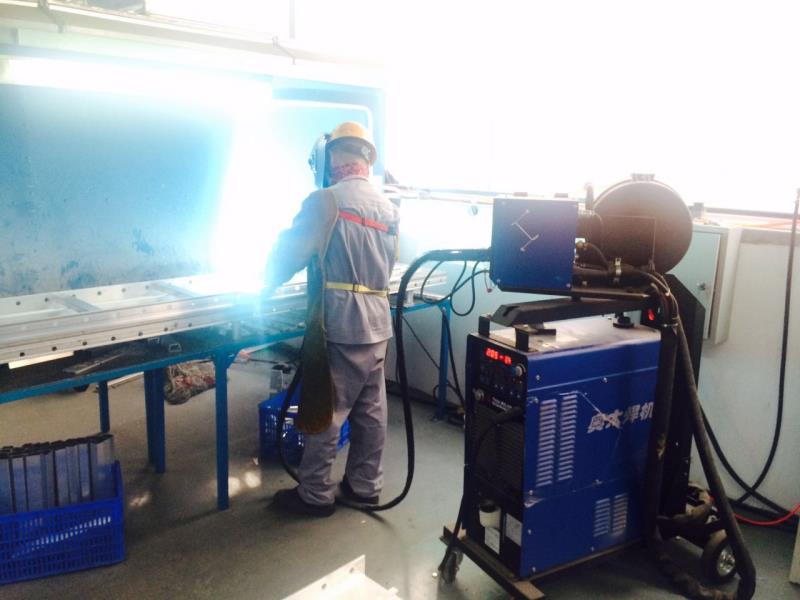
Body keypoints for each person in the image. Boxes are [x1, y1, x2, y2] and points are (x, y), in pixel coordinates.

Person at [263, 122, 399, 517]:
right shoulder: (389, 209)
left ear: (333, 159)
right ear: (366, 160)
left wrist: (262, 286)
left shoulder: (326, 201)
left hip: (341, 322)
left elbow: (288, 253)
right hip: (377, 321)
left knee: (327, 408)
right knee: (370, 411)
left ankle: (315, 494)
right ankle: (365, 486)